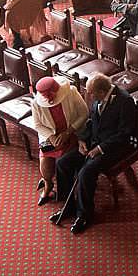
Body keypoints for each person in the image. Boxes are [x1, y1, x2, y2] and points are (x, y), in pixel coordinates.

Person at [49, 74, 138, 235]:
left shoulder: (124, 101)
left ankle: (85, 215)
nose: (89, 96)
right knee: (62, 163)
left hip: (114, 148)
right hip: (93, 143)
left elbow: (125, 133)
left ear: (102, 91)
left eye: (91, 93)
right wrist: (83, 140)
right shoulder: (98, 98)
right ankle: (69, 206)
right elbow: (91, 121)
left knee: (86, 173)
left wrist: (100, 149)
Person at [30, 76, 89, 206]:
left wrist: (68, 132)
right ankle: (48, 184)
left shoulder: (71, 92)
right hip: (50, 136)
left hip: (73, 131)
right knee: (45, 161)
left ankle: (65, 190)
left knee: (63, 161)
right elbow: (38, 125)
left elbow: (84, 113)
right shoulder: (35, 103)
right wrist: (52, 137)